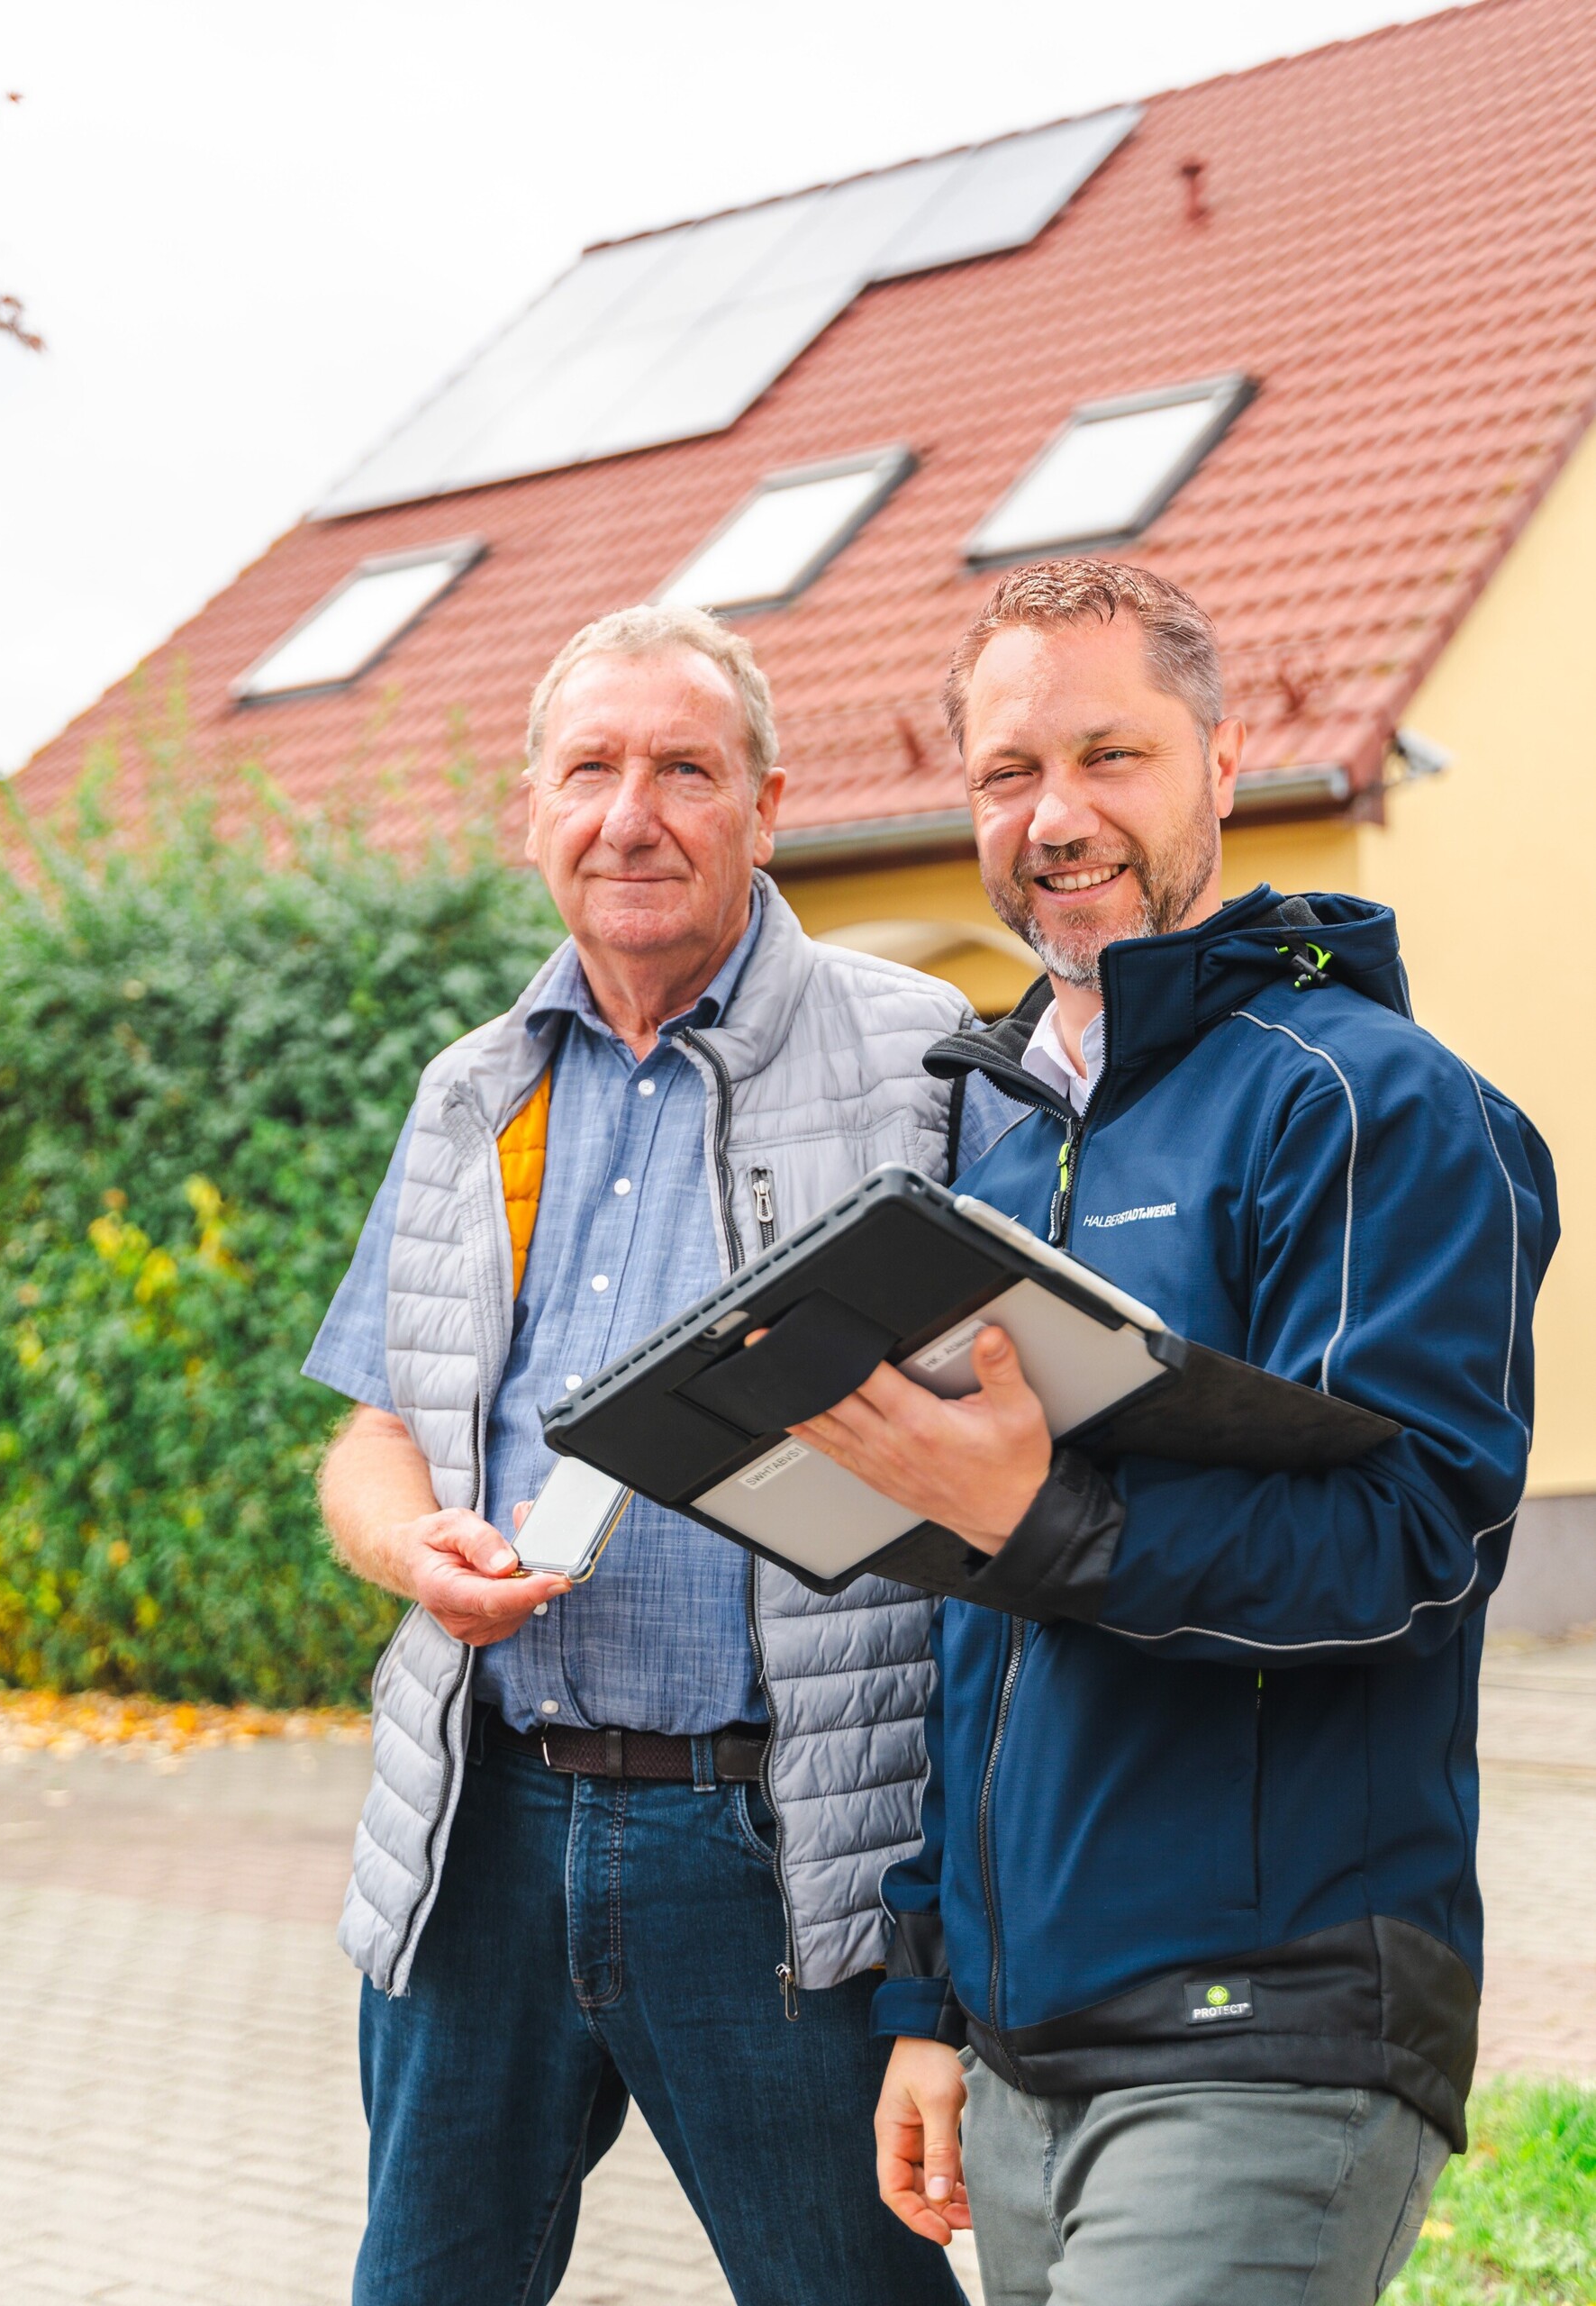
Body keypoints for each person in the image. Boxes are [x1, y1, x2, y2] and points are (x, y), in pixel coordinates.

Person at [780, 560, 1558, 2304]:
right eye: (1002, 774)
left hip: (1267, 2011)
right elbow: (966, 1625)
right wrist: (927, 2002)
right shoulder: (982, 1147)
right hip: (1025, 2036)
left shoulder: (1362, 1099)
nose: (1053, 817)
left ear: (1219, 762)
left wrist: (1039, 1514)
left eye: (1107, 755)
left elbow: (1411, 1552)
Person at [305, 604, 984, 2306]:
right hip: (488, 1832)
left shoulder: (919, 1056)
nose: (633, 815)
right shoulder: (472, 1092)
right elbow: (378, 1430)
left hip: (774, 1844)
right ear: (532, 811)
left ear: (768, 805)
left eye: (686, 769)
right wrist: (412, 1554)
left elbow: (1021, 1444)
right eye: (591, 770)